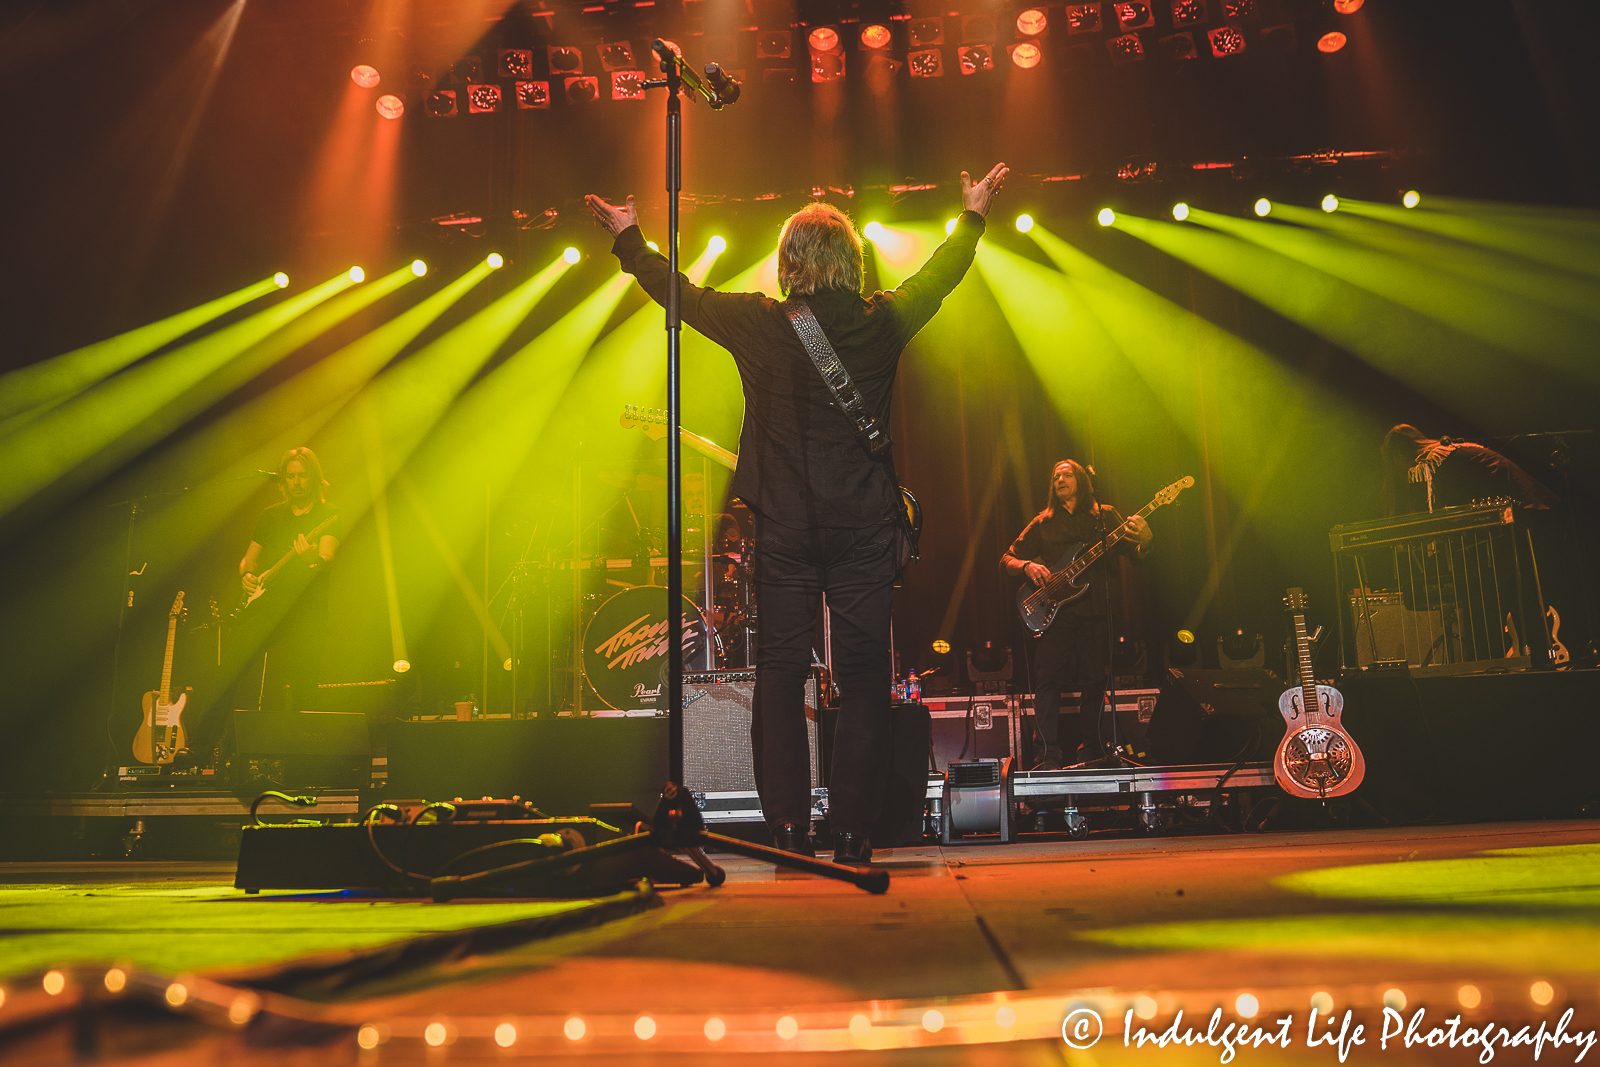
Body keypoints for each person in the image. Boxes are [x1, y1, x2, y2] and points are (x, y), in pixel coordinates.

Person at [587, 163, 1008, 863]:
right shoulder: (881, 320)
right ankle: (850, 833)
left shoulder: (758, 321)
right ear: (853, 262)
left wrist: (630, 237)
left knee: (781, 673)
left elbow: (680, 297)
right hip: (865, 528)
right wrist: (970, 217)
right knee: (866, 675)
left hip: (784, 525)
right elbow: (941, 278)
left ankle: (787, 828)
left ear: (787, 264)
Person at [176, 447, 340, 768]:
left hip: (308, 608)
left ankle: (306, 759)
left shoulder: (328, 514)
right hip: (268, 604)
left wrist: (310, 559)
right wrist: (247, 575)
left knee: (304, 682)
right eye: (289, 476)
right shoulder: (271, 514)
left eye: (301, 475)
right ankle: (200, 747)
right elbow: (249, 557)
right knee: (228, 671)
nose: (295, 482)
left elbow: (327, 557)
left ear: (314, 477)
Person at [1001, 460, 1151, 769]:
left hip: (1096, 610)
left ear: (1082, 480)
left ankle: (1092, 753)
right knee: (1047, 680)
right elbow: (1006, 559)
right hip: (1054, 612)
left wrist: (1147, 540)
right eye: (1055, 475)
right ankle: (1047, 755)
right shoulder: (1043, 523)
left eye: (1066, 474)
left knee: (1095, 683)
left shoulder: (1105, 517)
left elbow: (1135, 557)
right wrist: (1028, 566)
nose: (1059, 479)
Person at [1380, 424, 1557, 515]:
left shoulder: (1433, 463)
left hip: (1535, 513)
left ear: (1399, 457)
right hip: (1537, 506)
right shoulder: (1448, 453)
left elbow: (1434, 516)